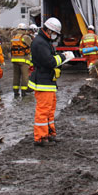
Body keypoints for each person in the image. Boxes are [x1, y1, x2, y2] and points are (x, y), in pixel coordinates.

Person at [28, 17, 73, 146]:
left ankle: (49, 133)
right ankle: (41, 137)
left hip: (48, 81)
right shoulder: (40, 43)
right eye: (54, 33)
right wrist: (63, 57)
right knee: (43, 110)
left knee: (50, 109)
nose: (55, 36)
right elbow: (50, 62)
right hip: (43, 81)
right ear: (48, 30)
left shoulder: (44, 41)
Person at [11, 23, 32, 98]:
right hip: (23, 60)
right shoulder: (26, 37)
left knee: (16, 76)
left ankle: (15, 92)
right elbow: (31, 46)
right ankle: (23, 92)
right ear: (25, 30)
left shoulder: (14, 37)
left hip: (14, 59)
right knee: (24, 76)